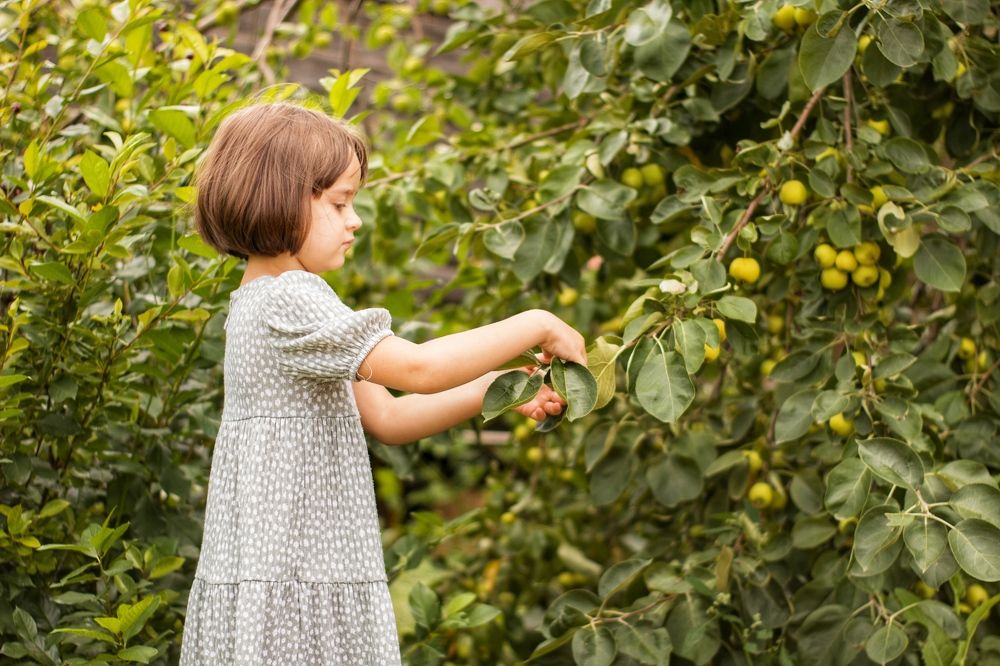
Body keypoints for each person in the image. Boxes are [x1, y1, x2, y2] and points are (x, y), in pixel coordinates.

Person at [178, 101, 587, 665]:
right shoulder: (290, 299)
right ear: (278, 200)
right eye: (341, 202)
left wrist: (503, 384)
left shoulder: (268, 301)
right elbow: (419, 369)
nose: (355, 220)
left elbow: (389, 418)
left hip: (293, 572)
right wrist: (536, 323)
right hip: (300, 576)